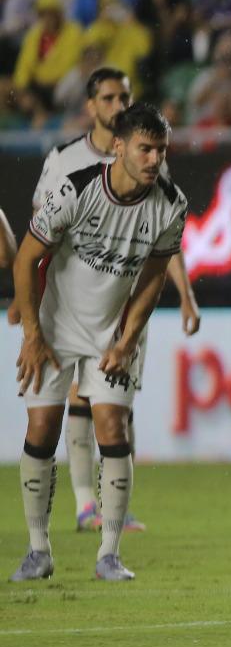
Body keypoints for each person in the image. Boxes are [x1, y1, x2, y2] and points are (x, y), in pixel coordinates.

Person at [10, 69, 202, 534]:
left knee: (116, 412)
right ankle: (83, 504)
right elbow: (40, 233)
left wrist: (186, 294)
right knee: (75, 402)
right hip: (70, 308)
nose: (118, 104)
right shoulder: (65, 163)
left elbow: (160, 247)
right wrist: (27, 305)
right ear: (92, 106)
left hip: (124, 306)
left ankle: (110, 513)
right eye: (109, 97)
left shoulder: (151, 165)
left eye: (125, 96)